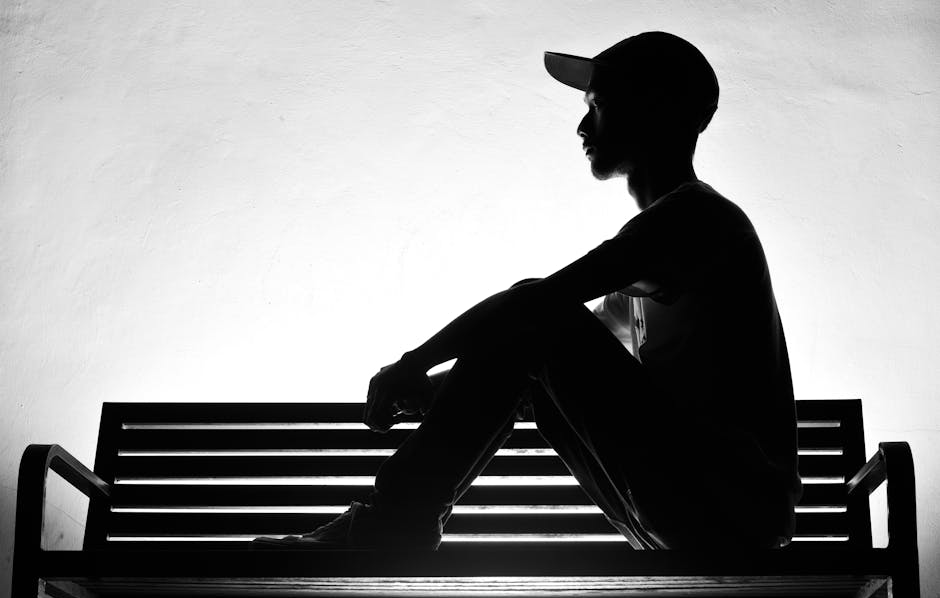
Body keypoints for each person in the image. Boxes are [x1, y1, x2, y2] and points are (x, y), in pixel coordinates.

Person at [254, 31, 802, 551]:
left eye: (598, 105)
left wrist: (412, 364)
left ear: (653, 111)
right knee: (534, 346)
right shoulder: (653, 261)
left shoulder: (695, 219)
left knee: (538, 308)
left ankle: (391, 524)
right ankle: (392, 523)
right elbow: (519, 356)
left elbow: (534, 307)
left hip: (728, 512)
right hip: (691, 509)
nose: (582, 127)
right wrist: (440, 390)